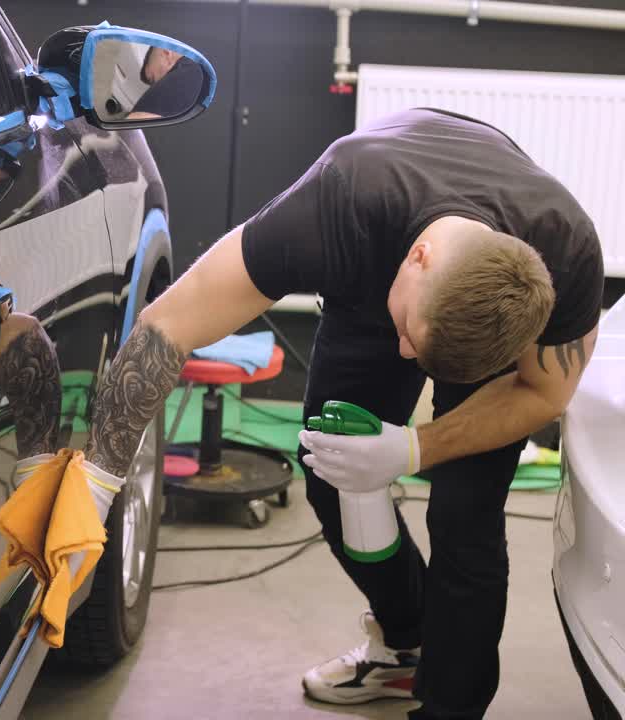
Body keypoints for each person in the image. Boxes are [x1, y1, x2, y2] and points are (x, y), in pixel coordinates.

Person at [80, 107, 603, 719]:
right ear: (420, 257)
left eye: (418, 351)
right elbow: (165, 328)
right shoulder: (338, 205)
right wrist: (94, 487)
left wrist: (415, 449)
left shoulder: (566, 252)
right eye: (408, 335)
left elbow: (544, 394)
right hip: (372, 269)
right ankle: (404, 643)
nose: (407, 356)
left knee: (468, 518)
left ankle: (452, 709)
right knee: (330, 474)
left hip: (470, 305)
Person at [126, 46, 205, 120]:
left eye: (153, 78)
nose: (157, 84)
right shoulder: (195, 73)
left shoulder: (189, 71)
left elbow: (133, 125)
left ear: (166, 52)